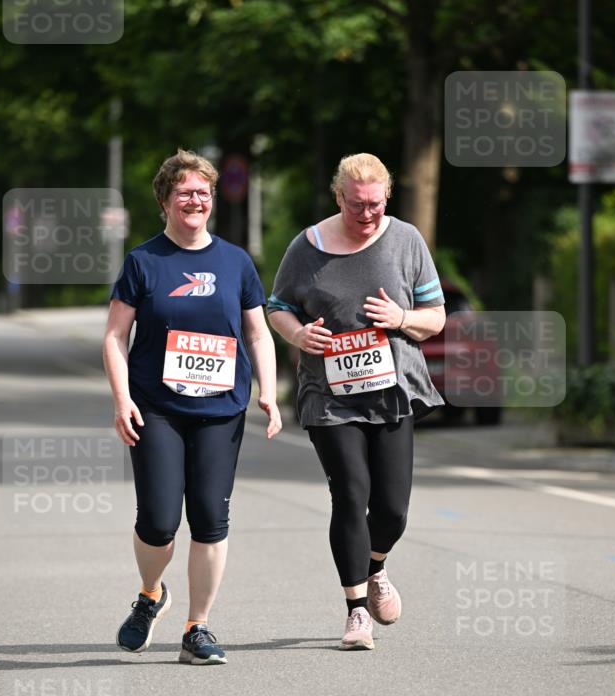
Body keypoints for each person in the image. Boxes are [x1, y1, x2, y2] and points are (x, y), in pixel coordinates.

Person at [103, 149, 281, 665]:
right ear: (165, 201)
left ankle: (197, 629)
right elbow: (116, 336)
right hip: (155, 407)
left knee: (209, 518)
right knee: (158, 520)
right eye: (185, 192)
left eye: (203, 192)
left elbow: (257, 332)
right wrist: (122, 399)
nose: (196, 199)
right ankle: (150, 593)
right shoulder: (144, 260)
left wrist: (267, 392)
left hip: (221, 408)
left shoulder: (235, 262)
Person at [267, 153, 445, 651]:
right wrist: (300, 334)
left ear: (386, 197)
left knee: (392, 509)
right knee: (350, 492)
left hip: (390, 391)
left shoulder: (406, 239)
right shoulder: (308, 246)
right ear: (338, 196)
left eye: (375, 204)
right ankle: (356, 612)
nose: (366, 214)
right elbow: (276, 307)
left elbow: (436, 317)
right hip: (330, 394)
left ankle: (376, 565)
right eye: (356, 205)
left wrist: (400, 317)